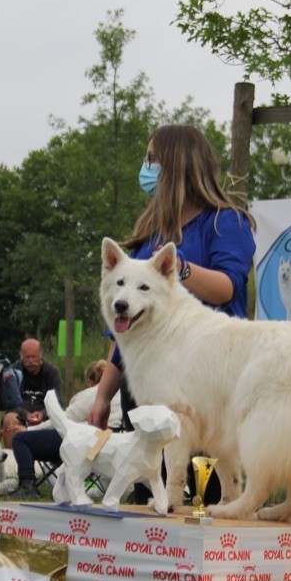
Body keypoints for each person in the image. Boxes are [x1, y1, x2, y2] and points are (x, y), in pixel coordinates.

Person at [88, 124, 256, 504]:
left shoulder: (225, 222)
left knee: (202, 504)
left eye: (152, 159)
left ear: (177, 165)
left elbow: (228, 287)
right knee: (149, 496)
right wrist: (102, 396)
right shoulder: (152, 233)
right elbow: (125, 332)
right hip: (145, 392)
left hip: (205, 394)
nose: (147, 169)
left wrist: (178, 269)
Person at [10, 359, 122, 497]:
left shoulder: (95, 393)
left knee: (21, 439)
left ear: (91, 381)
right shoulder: (125, 394)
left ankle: (28, 486)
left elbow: (63, 420)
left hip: (85, 445)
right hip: (110, 446)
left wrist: (29, 430)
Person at [0, 338, 63, 447]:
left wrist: (42, 414)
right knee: (9, 420)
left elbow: (58, 403)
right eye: (27, 357)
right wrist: (26, 414)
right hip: (20, 415)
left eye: (34, 356)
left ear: (40, 354)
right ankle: (12, 460)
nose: (31, 361)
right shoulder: (13, 371)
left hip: (45, 417)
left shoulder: (52, 373)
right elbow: (9, 403)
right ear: (21, 356)